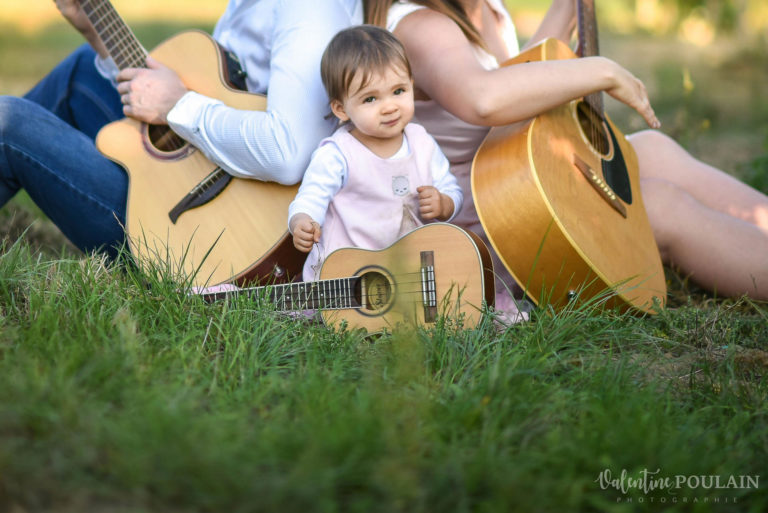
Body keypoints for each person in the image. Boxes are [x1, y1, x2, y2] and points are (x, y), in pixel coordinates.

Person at [365, 0, 768, 301]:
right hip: (491, 228)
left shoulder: (481, 6)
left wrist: (568, 6)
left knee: (651, 151)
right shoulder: (418, 24)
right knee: (659, 206)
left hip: (523, 187)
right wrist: (601, 71)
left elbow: (521, 70)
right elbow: (483, 98)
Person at [0, 0, 366, 261]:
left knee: (10, 120)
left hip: (207, 232)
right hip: (196, 170)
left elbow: (288, 152)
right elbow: (222, 93)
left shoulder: (309, 7)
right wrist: (97, 33)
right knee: (83, 70)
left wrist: (179, 106)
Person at [288, 25, 464, 286]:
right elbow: (312, 196)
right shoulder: (338, 153)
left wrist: (444, 203)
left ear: (411, 86)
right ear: (341, 109)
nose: (389, 107)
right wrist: (302, 220)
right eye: (370, 99)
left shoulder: (422, 142)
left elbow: (451, 189)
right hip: (347, 275)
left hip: (409, 276)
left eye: (398, 91)